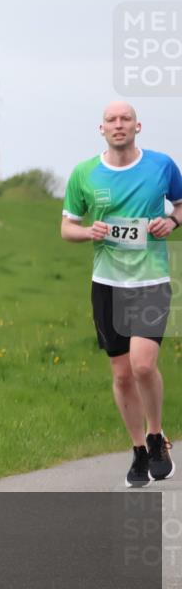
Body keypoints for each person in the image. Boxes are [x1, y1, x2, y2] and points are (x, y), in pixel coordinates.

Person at [60, 100, 182, 487]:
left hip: (151, 279)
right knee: (122, 373)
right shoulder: (84, 173)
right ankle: (137, 452)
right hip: (107, 284)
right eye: (111, 120)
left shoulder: (161, 165)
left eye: (125, 119)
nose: (118, 125)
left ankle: (156, 434)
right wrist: (88, 232)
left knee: (143, 365)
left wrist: (172, 220)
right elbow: (67, 227)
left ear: (137, 126)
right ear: (102, 129)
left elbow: (181, 205)